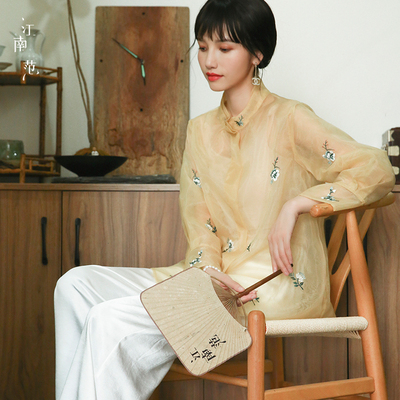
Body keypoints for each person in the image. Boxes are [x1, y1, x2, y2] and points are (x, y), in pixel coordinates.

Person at [54, 0, 395, 399]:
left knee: (111, 318)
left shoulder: (290, 118)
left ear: (257, 54)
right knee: (74, 285)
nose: (209, 60)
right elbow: (199, 223)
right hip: (212, 276)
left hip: (272, 285)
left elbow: (376, 169)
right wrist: (210, 271)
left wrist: (297, 204)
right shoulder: (199, 132)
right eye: (202, 47)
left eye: (224, 48)